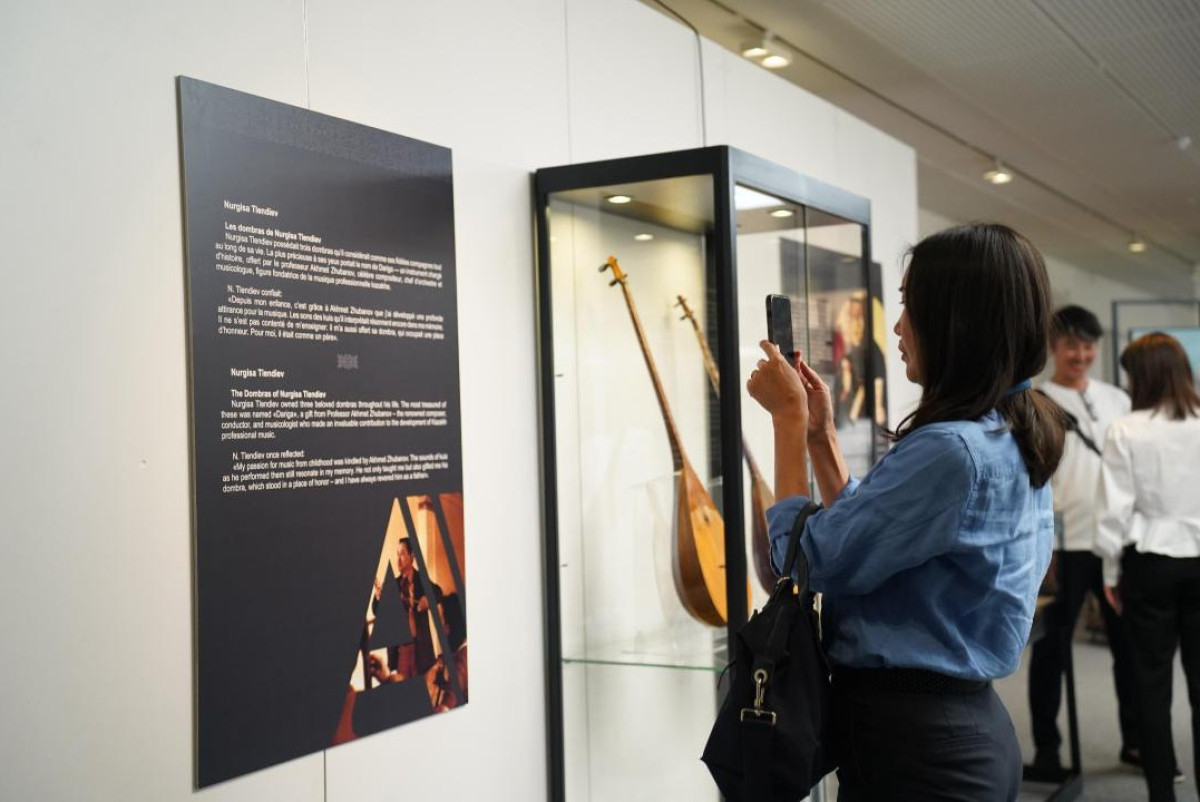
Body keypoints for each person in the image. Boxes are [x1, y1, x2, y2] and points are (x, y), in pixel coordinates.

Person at [747, 223, 1065, 801]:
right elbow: (869, 539)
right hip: (954, 733)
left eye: (909, 307)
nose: (897, 327)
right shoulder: (1004, 431)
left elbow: (809, 560)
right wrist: (820, 437)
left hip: (919, 749)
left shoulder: (952, 451)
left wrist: (787, 424)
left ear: (956, 322)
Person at [1026, 304, 1140, 781]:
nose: (1081, 354)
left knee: (1129, 649)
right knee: (1051, 651)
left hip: (1115, 543)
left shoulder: (1117, 399)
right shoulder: (1036, 400)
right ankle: (1047, 751)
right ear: (1054, 347)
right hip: (1062, 544)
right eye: (1071, 345)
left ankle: (1136, 741)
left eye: (1088, 345)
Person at [1097, 332, 1200, 802]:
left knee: (1152, 686)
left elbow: (1115, 511)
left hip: (1150, 563)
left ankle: (1162, 794)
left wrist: (1109, 572)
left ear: (1142, 377)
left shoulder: (1126, 429)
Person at [371, 537, 442, 682]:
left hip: (421, 650)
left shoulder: (421, 579)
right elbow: (376, 611)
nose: (398, 559)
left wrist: (428, 600)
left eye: (402, 554)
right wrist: (378, 598)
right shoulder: (393, 584)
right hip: (401, 652)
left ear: (412, 556)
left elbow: (438, 592)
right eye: (397, 554)